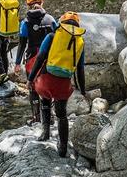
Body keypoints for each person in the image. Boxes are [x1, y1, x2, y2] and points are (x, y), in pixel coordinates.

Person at [28, 11, 86, 157]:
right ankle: (63, 147)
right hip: (64, 82)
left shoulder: (52, 36)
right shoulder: (80, 41)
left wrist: (31, 78)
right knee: (61, 115)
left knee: (45, 102)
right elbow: (80, 69)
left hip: (46, 78)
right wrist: (82, 89)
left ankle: (45, 132)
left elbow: (40, 57)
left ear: (62, 23)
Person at [14, 0, 57, 124]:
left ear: (28, 5)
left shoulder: (25, 22)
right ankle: (49, 116)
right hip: (49, 58)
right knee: (47, 86)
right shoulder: (51, 19)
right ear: (41, 3)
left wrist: (17, 63)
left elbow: (22, 44)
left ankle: (36, 117)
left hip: (32, 58)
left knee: (32, 87)